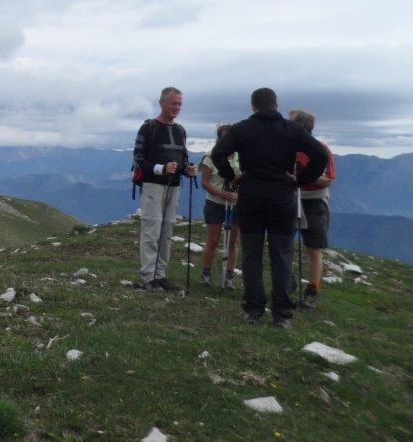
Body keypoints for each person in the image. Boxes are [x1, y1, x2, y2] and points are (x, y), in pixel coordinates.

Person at [210, 88, 327, 327]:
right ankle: (282, 313)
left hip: (250, 195)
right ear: (276, 105)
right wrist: (301, 179)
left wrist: (232, 177)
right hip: (282, 197)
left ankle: (253, 309)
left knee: (252, 253)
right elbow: (320, 154)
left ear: (253, 106)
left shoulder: (241, 129)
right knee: (281, 254)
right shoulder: (292, 129)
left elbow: (218, 152)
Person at [132, 86, 197, 291]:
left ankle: (160, 275)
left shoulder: (180, 131)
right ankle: (148, 276)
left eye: (179, 104)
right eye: (173, 103)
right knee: (152, 230)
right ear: (162, 103)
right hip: (153, 185)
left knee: (167, 230)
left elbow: (182, 159)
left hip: (174, 185)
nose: (177, 107)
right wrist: (161, 169)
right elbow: (138, 158)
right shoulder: (148, 128)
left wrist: (187, 170)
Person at [289, 109, 336, 309]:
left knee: (313, 248)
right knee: (283, 242)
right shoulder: (287, 147)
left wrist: (306, 175)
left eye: (290, 122)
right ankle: (287, 280)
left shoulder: (320, 149)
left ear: (299, 126)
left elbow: (328, 180)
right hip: (291, 198)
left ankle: (312, 290)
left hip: (314, 201)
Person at [199, 124, 240, 289]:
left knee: (233, 241)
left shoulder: (240, 157)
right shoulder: (210, 156)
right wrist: (221, 194)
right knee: (213, 240)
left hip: (236, 203)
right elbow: (205, 182)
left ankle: (229, 277)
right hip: (215, 202)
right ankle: (206, 274)